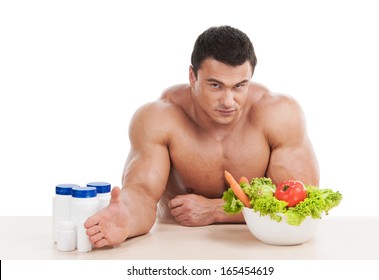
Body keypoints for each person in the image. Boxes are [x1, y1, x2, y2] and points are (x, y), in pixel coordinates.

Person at [84, 25, 319, 248]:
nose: (229, 101)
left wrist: (217, 210)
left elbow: (301, 203)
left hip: (256, 244)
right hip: (174, 244)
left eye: (239, 86)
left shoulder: (279, 114)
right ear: (192, 76)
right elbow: (142, 194)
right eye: (216, 85)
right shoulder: (159, 118)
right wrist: (127, 219)